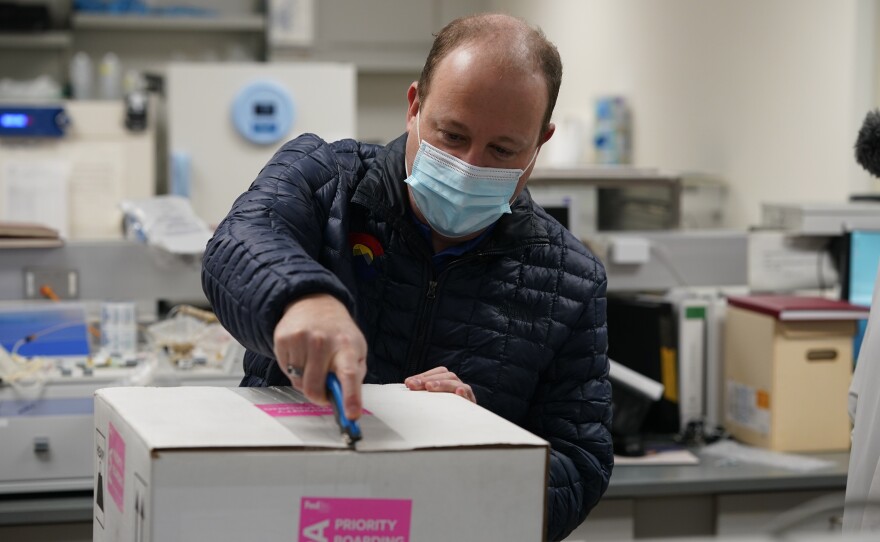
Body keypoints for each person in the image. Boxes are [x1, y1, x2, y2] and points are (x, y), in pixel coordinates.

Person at [202, 13, 613, 540]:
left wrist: (483, 445)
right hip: (290, 514)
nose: (468, 165)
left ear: (540, 141)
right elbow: (238, 243)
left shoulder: (569, 278)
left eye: (502, 151)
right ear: (415, 105)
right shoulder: (326, 179)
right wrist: (303, 298)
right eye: (452, 134)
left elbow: (581, 464)